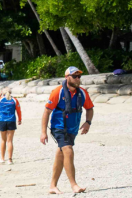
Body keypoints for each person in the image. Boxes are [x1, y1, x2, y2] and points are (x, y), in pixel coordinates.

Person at [40, 66, 93, 194]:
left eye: (79, 76)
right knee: (68, 151)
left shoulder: (83, 93)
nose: (77, 78)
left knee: (61, 154)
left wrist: (87, 123)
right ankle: (74, 185)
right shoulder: (57, 92)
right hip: (59, 127)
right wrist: (43, 132)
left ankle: (52, 186)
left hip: (72, 129)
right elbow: (47, 112)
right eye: (74, 76)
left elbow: (90, 108)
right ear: (67, 77)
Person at [0, 87, 21, 165]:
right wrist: (20, 119)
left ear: (3, 93)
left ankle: (2, 158)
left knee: (3, 140)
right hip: (11, 120)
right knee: (10, 141)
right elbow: (18, 110)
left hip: (2, 120)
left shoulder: (0, 99)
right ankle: (10, 160)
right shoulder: (15, 100)